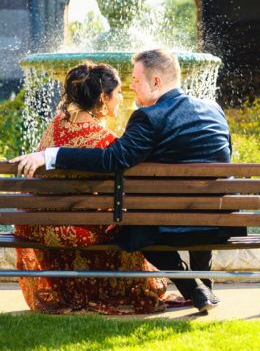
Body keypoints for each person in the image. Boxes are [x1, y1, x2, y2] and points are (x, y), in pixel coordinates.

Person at [13, 48, 238, 312]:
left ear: (156, 82)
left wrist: (52, 155)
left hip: (167, 226)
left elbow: (113, 159)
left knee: (136, 231)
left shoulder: (148, 118)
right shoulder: (215, 109)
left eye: (136, 80)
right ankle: (205, 287)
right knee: (198, 210)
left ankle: (194, 289)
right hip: (218, 222)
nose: (131, 85)